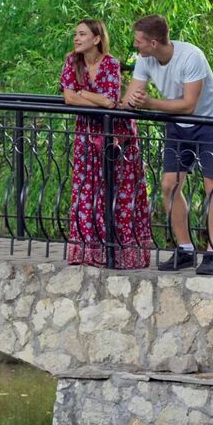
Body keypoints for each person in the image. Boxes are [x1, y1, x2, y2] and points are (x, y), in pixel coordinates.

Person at [121, 14, 213, 275]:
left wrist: (150, 103)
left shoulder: (191, 57)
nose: (135, 45)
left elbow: (189, 106)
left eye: (139, 41)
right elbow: (130, 97)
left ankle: (212, 253)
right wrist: (116, 104)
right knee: (169, 184)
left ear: (154, 42)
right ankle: (185, 250)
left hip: (209, 120)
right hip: (176, 123)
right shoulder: (145, 59)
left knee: (212, 186)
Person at [59, 18, 152, 268]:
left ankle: (121, 253)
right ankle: (90, 252)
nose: (76, 39)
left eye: (82, 34)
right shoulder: (72, 61)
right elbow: (68, 97)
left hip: (116, 135)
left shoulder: (110, 63)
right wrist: (93, 100)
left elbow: (111, 101)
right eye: (76, 34)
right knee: (87, 189)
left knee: (118, 191)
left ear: (96, 39)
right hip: (87, 133)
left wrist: (84, 94)